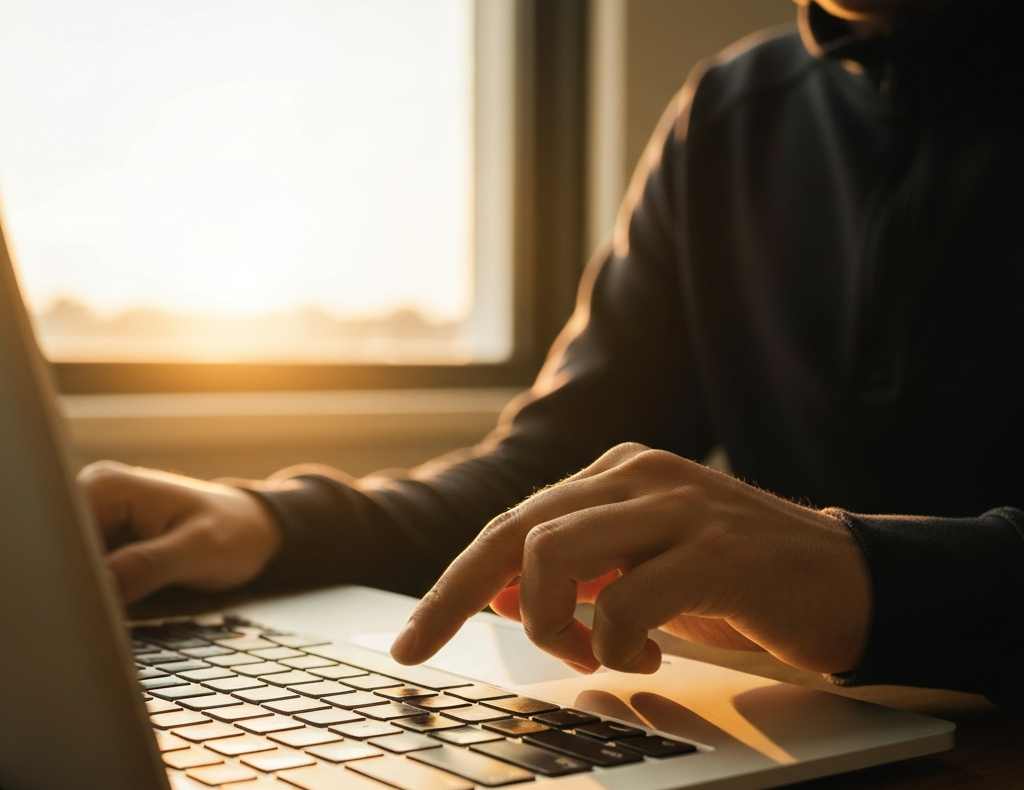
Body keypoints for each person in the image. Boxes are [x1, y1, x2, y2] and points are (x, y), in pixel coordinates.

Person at [80, 0, 1023, 706]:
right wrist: (272, 522)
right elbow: (552, 475)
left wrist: (858, 575)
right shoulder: (733, 113)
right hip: (830, 762)